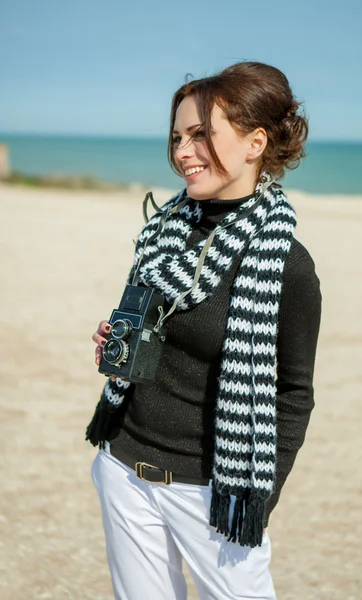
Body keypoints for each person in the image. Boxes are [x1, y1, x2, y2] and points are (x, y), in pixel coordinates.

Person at [87, 61, 322, 600]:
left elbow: (294, 396)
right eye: (177, 137)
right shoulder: (164, 231)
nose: (182, 153)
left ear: (254, 142)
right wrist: (119, 343)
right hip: (123, 466)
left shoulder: (286, 264)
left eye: (201, 135)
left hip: (214, 491)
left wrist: (254, 495)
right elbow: (163, 334)